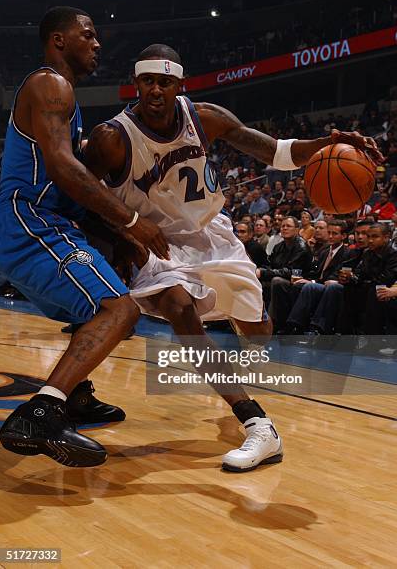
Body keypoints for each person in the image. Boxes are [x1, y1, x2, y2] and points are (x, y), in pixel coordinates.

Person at [85, 44, 381, 472]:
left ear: (178, 85)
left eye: (164, 82)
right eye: (147, 81)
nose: (155, 90)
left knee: (257, 331)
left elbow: (275, 153)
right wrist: (124, 232)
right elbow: (83, 194)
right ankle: (256, 423)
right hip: (157, 241)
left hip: (212, 235)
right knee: (179, 308)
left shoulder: (205, 117)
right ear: (136, 83)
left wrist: (326, 144)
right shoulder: (113, 137)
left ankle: (232, 374)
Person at [0, 8, 170, 468]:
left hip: (37, 221)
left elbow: (71, 190)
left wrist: (119, 236)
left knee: (105, 286)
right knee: (119, 308)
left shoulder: (63, 96)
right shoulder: (50, 85)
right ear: (59, 40)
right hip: (29, 219)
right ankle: (41, 412)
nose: (97, 44)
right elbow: (62, 169)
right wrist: (132, 221)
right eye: (88, 36)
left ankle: (76, 396)